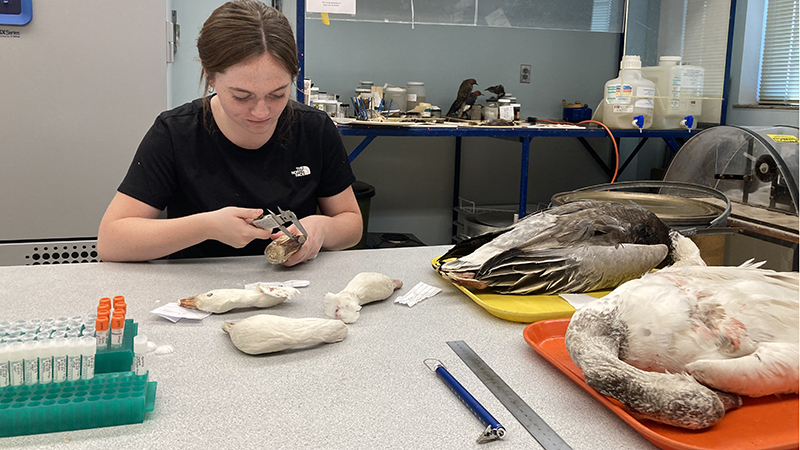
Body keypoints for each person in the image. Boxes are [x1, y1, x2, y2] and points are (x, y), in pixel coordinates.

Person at [97, 0, 361, 266]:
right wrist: (206, 227)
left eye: (277, 94)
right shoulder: (175, 133)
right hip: (196, 293)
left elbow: (351, 225)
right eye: (241, 96)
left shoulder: (314, 128)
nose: (261, 112)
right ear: (210, 76)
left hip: (293, 289)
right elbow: (112, 242)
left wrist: (321, 229)